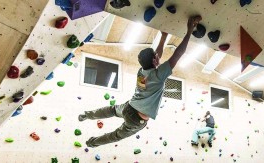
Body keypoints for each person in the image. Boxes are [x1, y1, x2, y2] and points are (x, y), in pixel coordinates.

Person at [78, 15, 203, 148]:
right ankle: (92, 142)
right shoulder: (158, 75)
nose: (157, 57)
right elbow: (178, 53)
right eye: (156, 57)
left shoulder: (142, 71)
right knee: (116, 135)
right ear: (154, 61)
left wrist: (163, 37)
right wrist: (189, 30)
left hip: (129, 107)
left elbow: (157, 56)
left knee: (111, 111)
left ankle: (85, 116)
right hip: (135, 117)